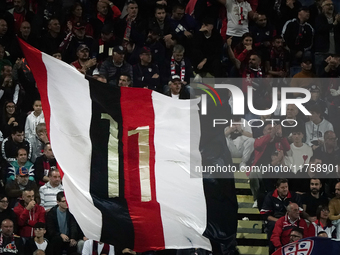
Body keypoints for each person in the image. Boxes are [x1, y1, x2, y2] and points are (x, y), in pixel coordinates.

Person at [261, 179, 302, 243]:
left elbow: (300, 211)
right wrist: (279, 221)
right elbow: (265, 214)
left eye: (286, 187)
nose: (285, 189)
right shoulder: (270, 196)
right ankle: (274, 250)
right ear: (277, 188)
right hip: (276, 220)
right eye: (282, 187)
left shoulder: (294, 196)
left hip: (292, 220)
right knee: (273, 226)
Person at [192, 18, 223, 82]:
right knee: (195, 54)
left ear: (211, 27)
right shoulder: (199, 35)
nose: (203, 26)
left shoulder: (217, 37)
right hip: (200, 60)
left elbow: (217, 53)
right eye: (203, 24)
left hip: (211, 60)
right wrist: (199, 34)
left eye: (206, 25)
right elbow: (195, 49)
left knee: (217, 63)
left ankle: (219, 85)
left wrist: (206, 60)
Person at [314, 0, 340, 76]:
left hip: (335, 53)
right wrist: (333, 24)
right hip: (322, 52)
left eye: (332, 4)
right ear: (323, 7)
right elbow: (320, 29)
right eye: (328, 5)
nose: (331, 6)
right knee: (321, 75)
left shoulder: (337, 18)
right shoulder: (319, 18)